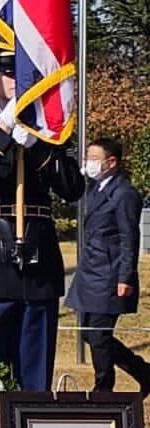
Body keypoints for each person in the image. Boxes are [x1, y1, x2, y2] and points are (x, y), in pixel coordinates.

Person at [0, 38, 84, 391]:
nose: (16, 80)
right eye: (8, 72)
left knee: (35, 374)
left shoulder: (49, 134)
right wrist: (3, 131)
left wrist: (37, 146)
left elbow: (73, 188)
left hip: (38, 256)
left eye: (23, 73)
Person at [65, 137, 149, 393]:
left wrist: (125, 277)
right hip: (91, 272)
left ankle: (104, 388)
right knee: (89, 334)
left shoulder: (124, 194)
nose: (88, 164)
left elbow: (128, 239)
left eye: (94, 159)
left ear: (111, 162)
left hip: (110, 274)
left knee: (100, 336)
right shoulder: (95, 189)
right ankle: (143, 371)